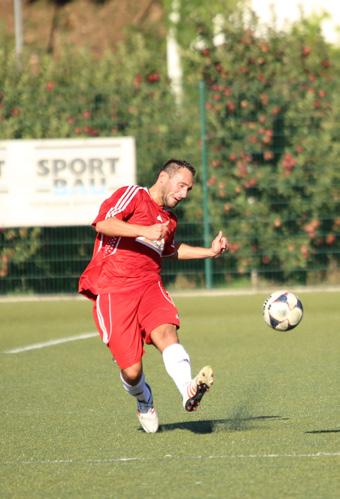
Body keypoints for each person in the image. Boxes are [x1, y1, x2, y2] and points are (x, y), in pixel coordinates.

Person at [79, 159, 228, 433]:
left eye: (189, 190)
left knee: (167, 334)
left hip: (149, 286)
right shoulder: (133, 195)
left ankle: (188, 389)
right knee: (132, 371)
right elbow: (102, 223)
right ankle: (143, 398)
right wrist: (143, 230)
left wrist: (210, 252)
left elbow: (170, 249)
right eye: (181, 185)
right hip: (113, 289)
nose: (184, 194)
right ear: (163, 177)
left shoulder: (169, 220)